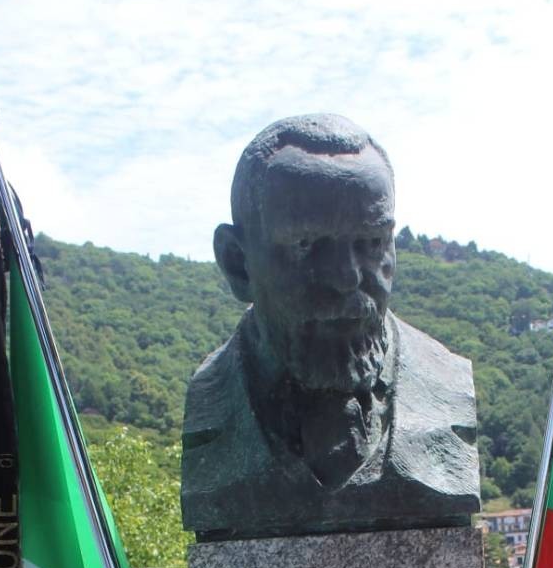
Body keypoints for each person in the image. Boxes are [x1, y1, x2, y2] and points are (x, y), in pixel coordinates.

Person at [181, 114, 479, 540]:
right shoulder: (212, 403)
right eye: (305, 245)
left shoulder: (445, 387)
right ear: (237, 262)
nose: (347, 278)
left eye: (372, 242)